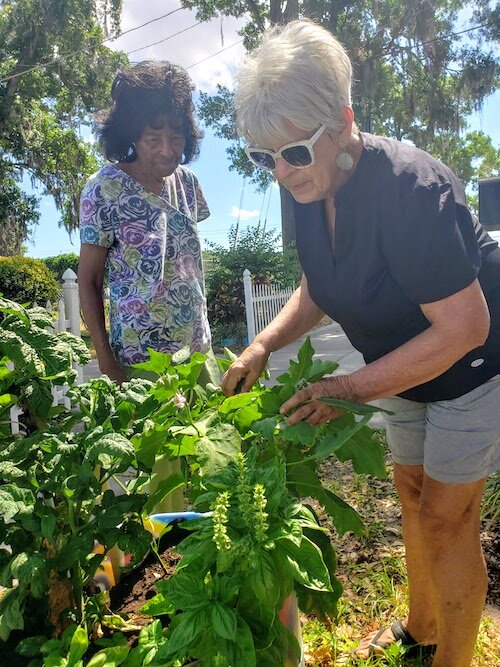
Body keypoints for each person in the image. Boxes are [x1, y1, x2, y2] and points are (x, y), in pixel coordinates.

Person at [221, 19, 500, 667]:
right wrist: (262, 343)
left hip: (474, 362)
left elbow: (465, 328)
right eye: (266, 158)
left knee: (445, 518)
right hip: (401, 365)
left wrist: (346, 387)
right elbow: (318, 285)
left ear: (345, 121)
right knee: (409, 490)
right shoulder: (306, 186)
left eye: (294, 153)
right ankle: (421, 628)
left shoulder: (411, 190)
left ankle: (452, 659)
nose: (282, 173)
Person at [79, 61, 217, 514]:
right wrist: (104, 355)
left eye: (175, 136)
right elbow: (89, 280)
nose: (166, 149)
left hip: (197, 349)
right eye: (153, 137)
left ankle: (209, 554)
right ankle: (168, 565)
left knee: (211, 457)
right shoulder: (103, 189)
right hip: (142, 359)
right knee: (163, 476)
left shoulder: (188, 184)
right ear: (130, 134)